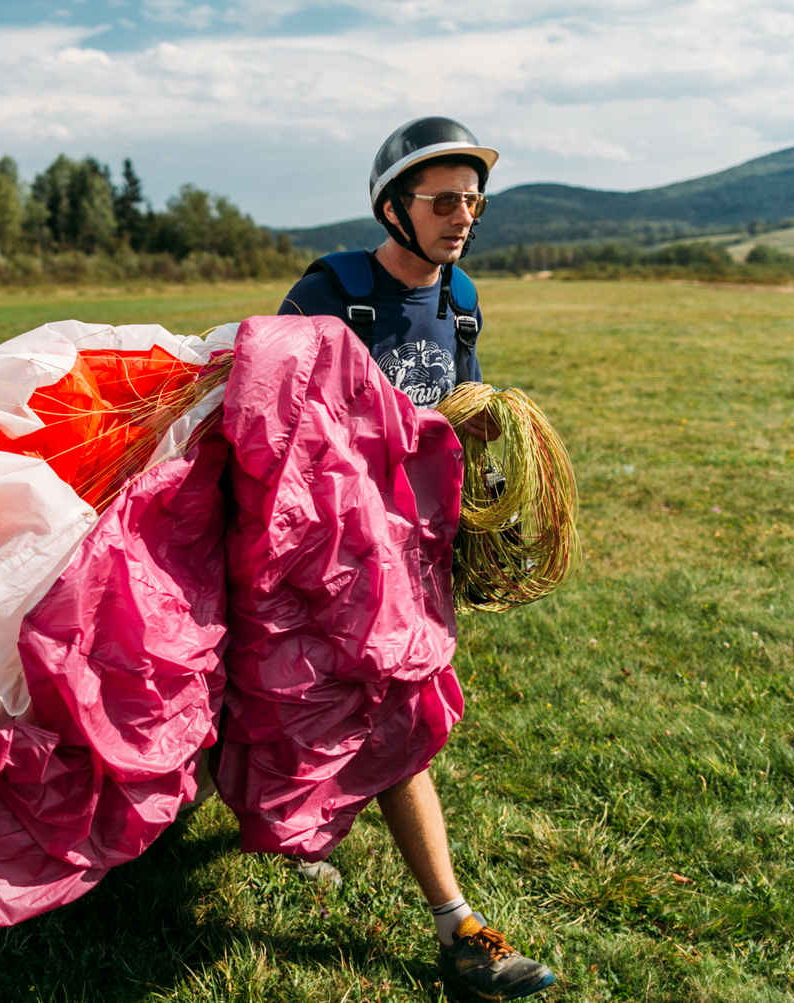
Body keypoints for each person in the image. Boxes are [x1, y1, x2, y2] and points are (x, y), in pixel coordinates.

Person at [277, 116, 557, 1002]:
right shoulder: (332, 292)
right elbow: (263, 411)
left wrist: (492, 484)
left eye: (473, 199)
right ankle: (457, 925)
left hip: (414, 552)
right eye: (443, 199)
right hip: (325, 546)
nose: (462, 215)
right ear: (394, 207)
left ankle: (289, 824)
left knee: (359, 705)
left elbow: (462, 411)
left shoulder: (461, 297)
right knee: (381, 712)